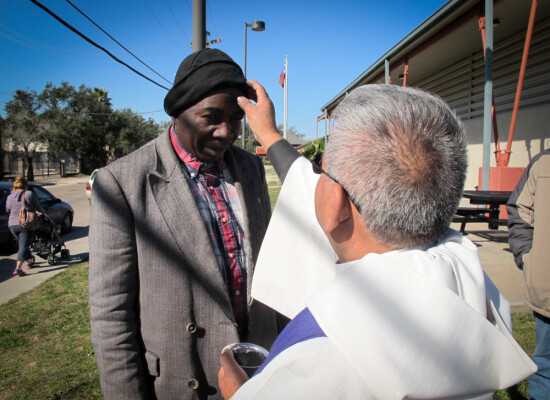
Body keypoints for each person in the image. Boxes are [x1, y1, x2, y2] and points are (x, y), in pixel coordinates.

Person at [218, 81, 536, 399]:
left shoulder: (318, 359)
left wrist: (240, 393)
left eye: (319, 170)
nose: (310, 177)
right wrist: (271, 134)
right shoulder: (469, 278)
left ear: (335, 204)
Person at [89, 49, 279, 399]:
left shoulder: (250, 169)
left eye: (236, 118)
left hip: (257, 373)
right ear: (178, 111)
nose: (227, 132)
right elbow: (111, 316)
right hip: (185, 381)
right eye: (211, 117)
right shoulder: (122, 182)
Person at [507, 148, 550, 399]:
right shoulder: (543, 163)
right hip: (546, 291)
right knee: (545, 368)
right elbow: (519, 209)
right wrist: (527, 259)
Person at [5, 177, 44, 276]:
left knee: (22, 244)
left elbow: (8, 209)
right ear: (25, 185)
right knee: (23, 246)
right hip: (25, 224)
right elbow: (39, 207)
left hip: (12, 225)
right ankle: (18, 268)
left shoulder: (10, 197)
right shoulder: (29, 194)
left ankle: (29, 261)